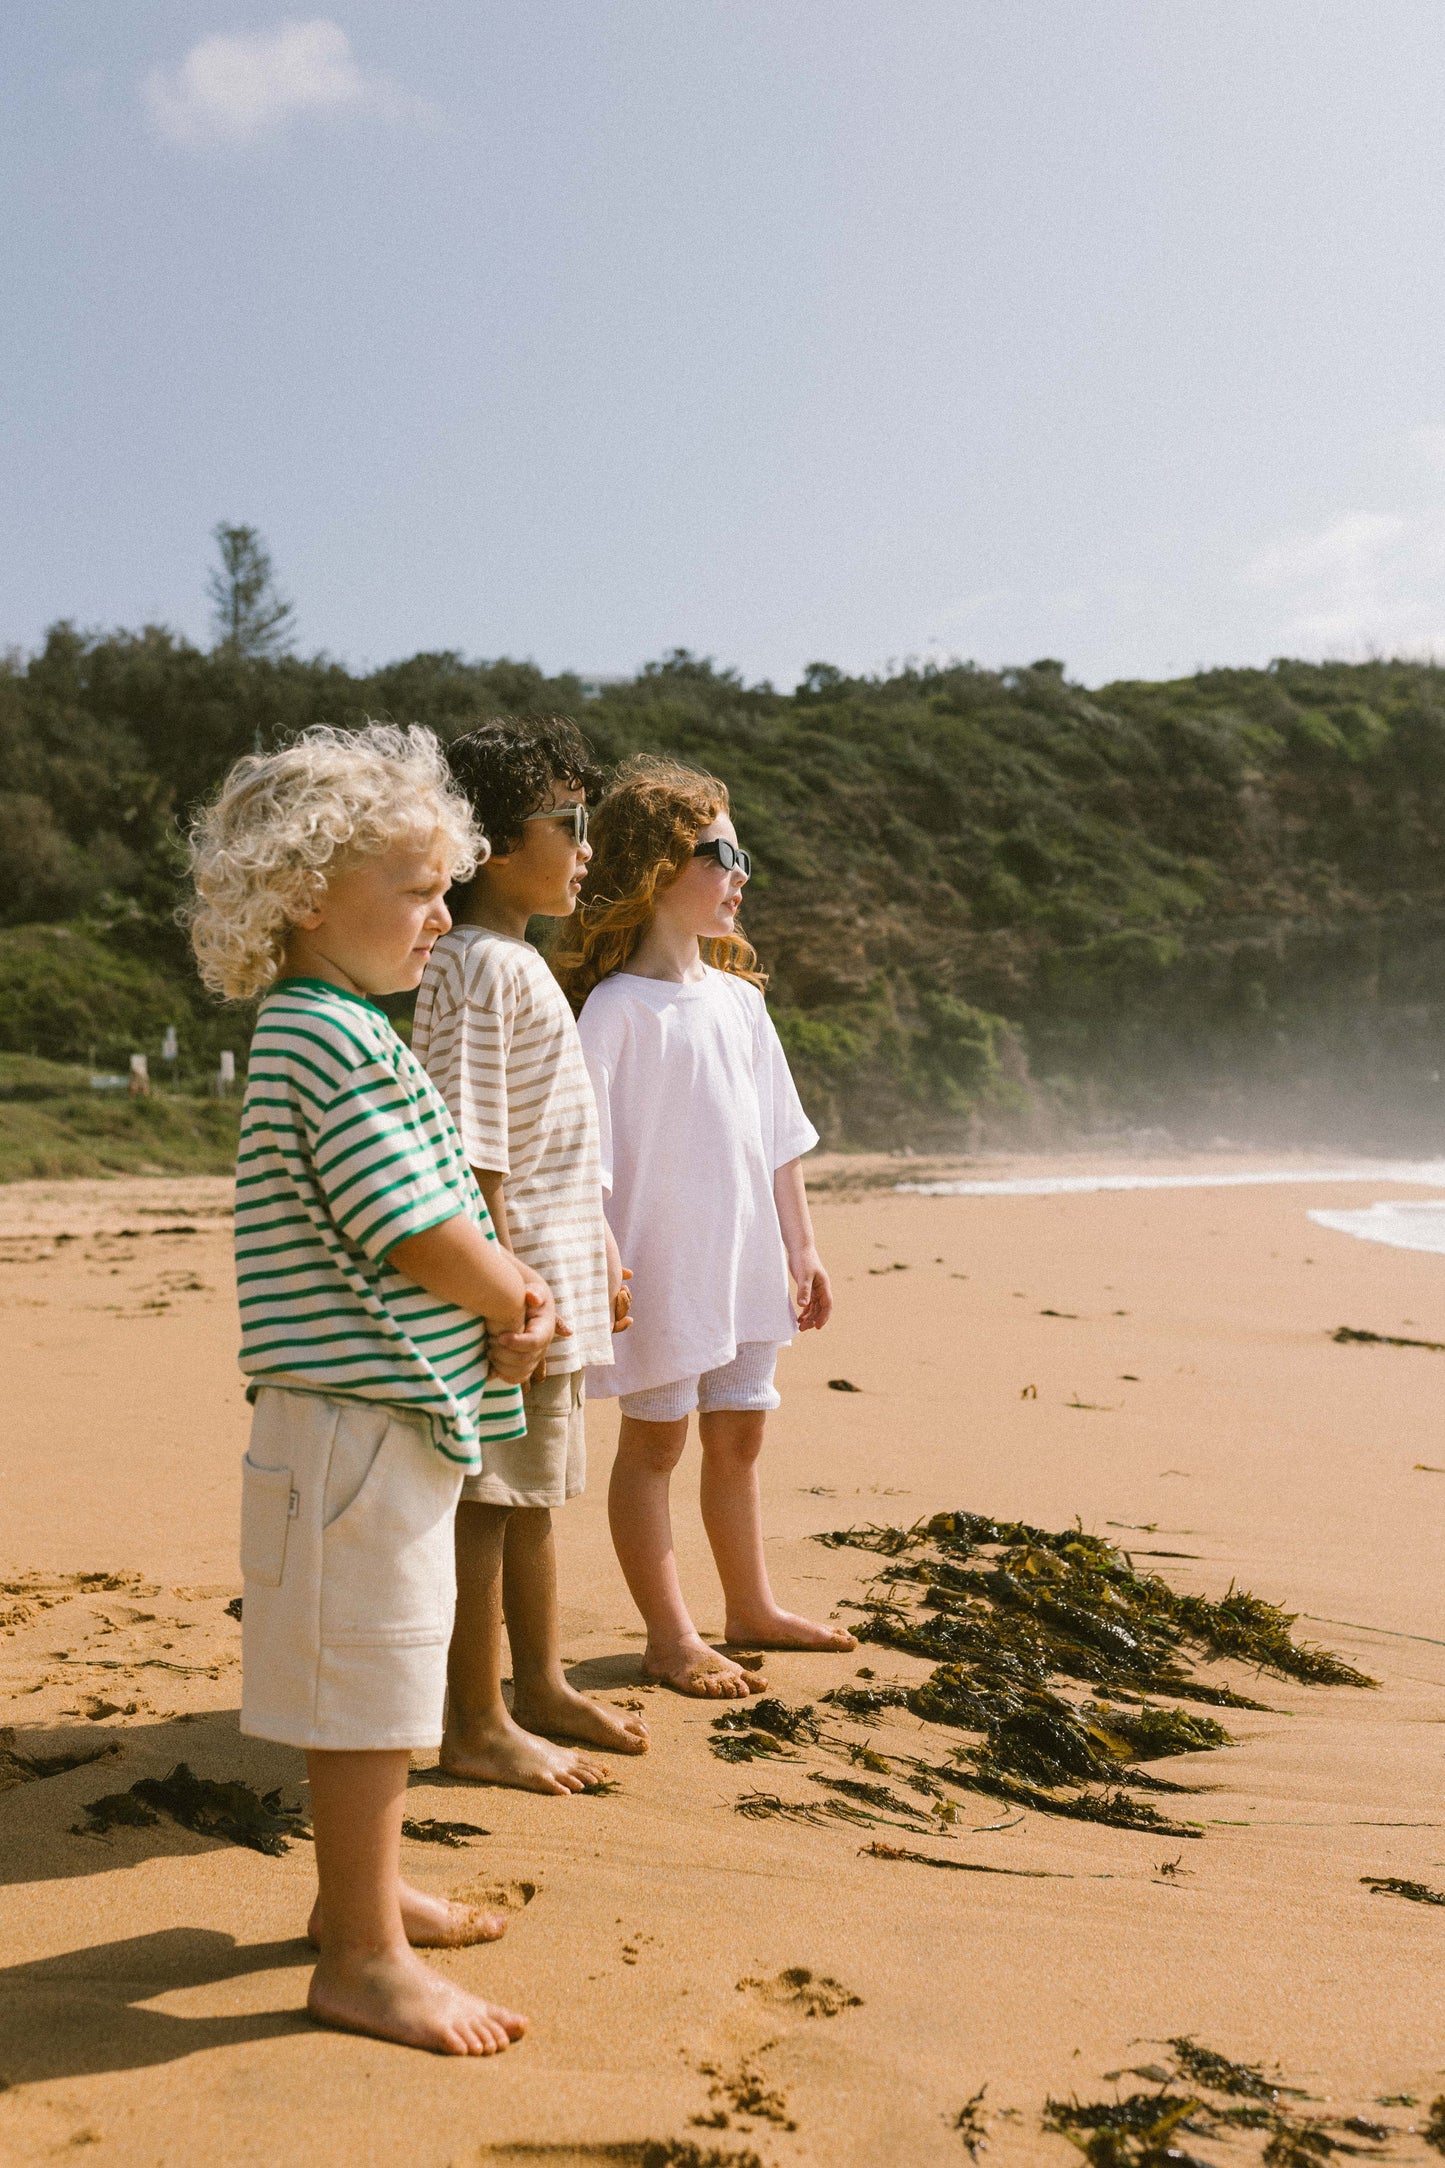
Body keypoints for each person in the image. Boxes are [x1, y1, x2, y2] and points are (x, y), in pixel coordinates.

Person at [187, 722, 541, 2057]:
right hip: (347, 1437)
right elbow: (403, 1225)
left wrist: (498, 1314)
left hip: (377, 1428)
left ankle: (365, 1887)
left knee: (379, 1684)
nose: (443, 916)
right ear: (304, 898)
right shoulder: (323, 1038)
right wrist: (504, 1290)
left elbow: (420, 1213)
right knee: (365, 1692)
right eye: (419, 890)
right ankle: (359, 1957)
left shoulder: (345, 1029)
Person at [551, 755, 857, 1699]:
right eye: (717, 852)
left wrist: (801, 1246)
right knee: (655, 1444)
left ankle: (750, 1604)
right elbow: (584, 1157)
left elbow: (779, 1139)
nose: (737, 873)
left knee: (740, 1435)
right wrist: (600, 1256)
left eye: (741, 853)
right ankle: (668, 1633)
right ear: (651, 867)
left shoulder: (739, 998)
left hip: (743, 1259)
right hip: (662, 1266)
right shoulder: (614, 1010)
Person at [412, 716, 649, 1791]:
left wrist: (595, 1245)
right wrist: (504, 1296)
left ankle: (539, 1682)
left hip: (546, 1285)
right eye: (571, 822)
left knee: (533, 1498)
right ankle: (473, 1717)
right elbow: (473, 1153)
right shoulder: (471, 966)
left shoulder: (516, 962)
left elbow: (554, 1139)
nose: (588, 846)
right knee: (485, 1510)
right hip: (508, 1301)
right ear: (494, 844)